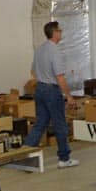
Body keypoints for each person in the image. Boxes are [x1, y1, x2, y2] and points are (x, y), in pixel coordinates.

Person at [23, 20, 78, 168]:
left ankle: (24, 154)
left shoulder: (39, 50)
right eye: (59, 30)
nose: (61, 33)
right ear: (54, 33)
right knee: (60, 124)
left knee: (40, 123)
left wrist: (43, 78)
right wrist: (69, 96)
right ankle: (64, 159)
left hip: (40, 89)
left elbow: (33, 70)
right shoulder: (55, 51)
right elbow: (60, 77)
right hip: (51, 91)